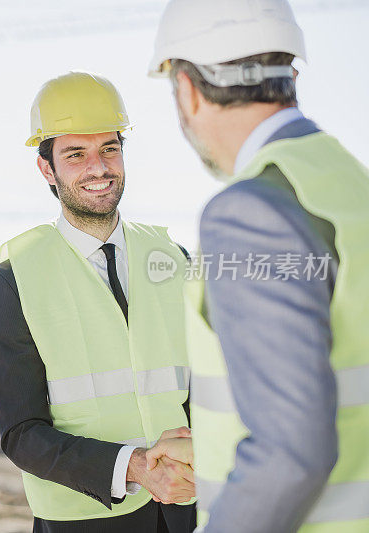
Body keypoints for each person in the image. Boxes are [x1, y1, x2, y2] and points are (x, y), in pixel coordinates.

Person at [146, 1, 369, 531]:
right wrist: (221, 450)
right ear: (291, 74)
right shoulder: (347, 186)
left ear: (187, 90)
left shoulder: (250, 213)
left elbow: (290, 452)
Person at [0, 71, 196, 533]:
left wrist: (204, 460)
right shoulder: (14, 279)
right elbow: (22, 434)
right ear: (47, 169)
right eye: (75, 155)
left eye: (109, 149)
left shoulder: (172, 259)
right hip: (82, 520)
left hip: (185, 512)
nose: (98, 168)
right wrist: (135, 466)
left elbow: (207, 388)